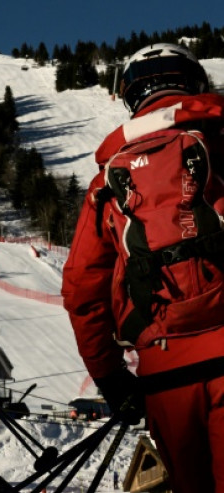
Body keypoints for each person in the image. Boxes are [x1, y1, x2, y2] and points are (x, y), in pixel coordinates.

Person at [62, 43, 224, 493]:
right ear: (194, 83)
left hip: (165, 366)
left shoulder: (108, 180)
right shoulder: (219, 142)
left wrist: (110, 376)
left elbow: (80, 286)